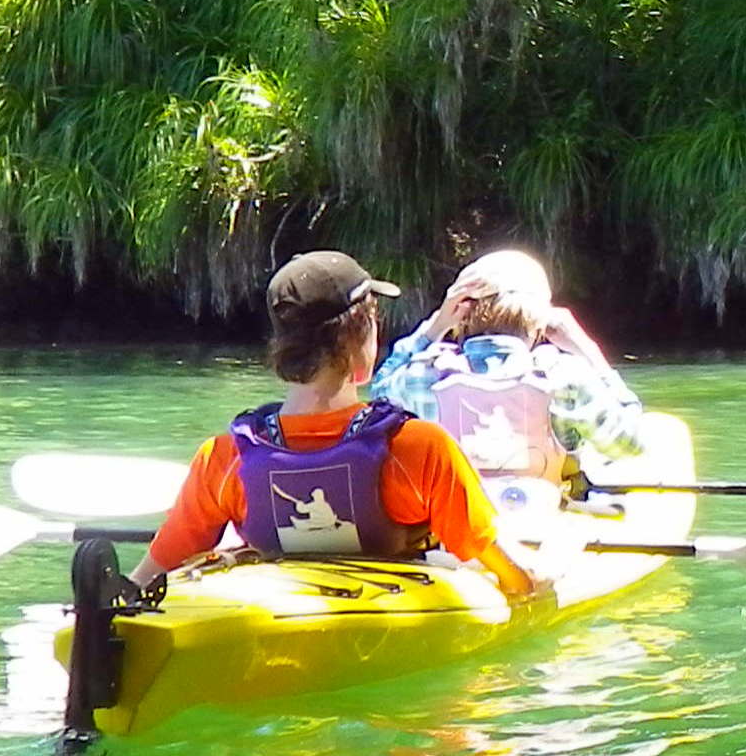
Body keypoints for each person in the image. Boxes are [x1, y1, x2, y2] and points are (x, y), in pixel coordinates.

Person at [139, 250, 537, 599]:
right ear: (357, 337)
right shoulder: (418, 448)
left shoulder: (224, 459)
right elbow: (518, 578)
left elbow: (146, 579)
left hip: (274, 620)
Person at [364, 248, 655, 490]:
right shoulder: (566, 374)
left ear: (461, 314)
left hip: (458, 530)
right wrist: (592, 354)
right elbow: (631, 445)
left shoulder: (422, 374)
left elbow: (379, 389)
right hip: (539, 521)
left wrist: (435, 327)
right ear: (542, 319)